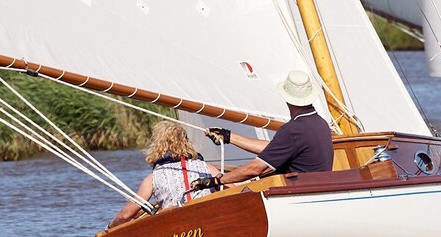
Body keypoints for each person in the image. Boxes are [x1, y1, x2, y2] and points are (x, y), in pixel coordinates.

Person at [191, 70, 333, 191]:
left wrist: (216, 181)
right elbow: (274, 149)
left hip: (297, 196)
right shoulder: (320, 124)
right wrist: (230, 137)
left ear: (287, 99)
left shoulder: (293, 130)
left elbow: (255, 169)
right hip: (316, 192)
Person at [108, 121, 220, 228]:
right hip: (208, 221)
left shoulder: (153, 178)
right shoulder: (208, 168)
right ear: (187, 142)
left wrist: (110, 227)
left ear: (158, 145)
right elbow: (234, 191)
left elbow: (126, 215)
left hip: (177, 232)